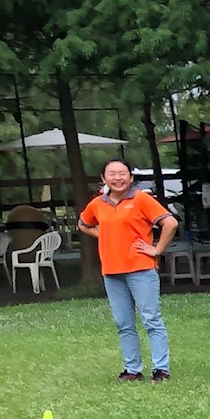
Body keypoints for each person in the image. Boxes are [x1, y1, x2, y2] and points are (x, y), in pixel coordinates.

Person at [78, 158, 177, 381]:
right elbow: (83, 224)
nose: (118, 178)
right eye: (112, 174)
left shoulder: (141, 199)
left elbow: (170, 223)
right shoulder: (97, 204)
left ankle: (161, 369)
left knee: (151, 319)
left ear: (131, 177)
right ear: (103, 178)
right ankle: (132, 369)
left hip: (141, 268)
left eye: (122, 173)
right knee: (124, 323)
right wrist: (103, 235)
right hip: (112, 271)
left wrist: (156, 249)